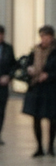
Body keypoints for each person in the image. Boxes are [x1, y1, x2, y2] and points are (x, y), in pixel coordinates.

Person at [22, 25, 56, 158]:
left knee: (52, 119)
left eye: (46, 36)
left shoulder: (54, 52)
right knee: (36, 118)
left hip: (51, 89)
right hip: (36, 88)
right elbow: (27, 64)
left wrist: (49, 75)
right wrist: (29, 70)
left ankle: (51, 147)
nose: (44, 39)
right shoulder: (35, 50)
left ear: (51, 37)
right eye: (42, 36)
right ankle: (39, 147)